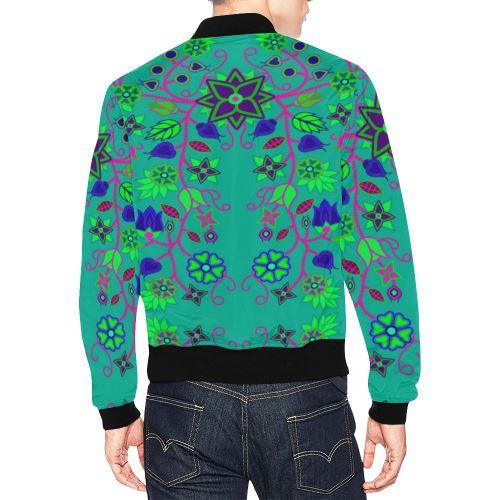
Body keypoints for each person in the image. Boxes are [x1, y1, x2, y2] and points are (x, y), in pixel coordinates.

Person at [79, 0, 420, 497]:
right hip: (309, 395)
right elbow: (378, 247)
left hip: (181, 400)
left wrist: (115, 403)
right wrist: (392, 396)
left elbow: (108, 257)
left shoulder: (133, 95)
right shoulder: (340, 85)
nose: (308, 5)